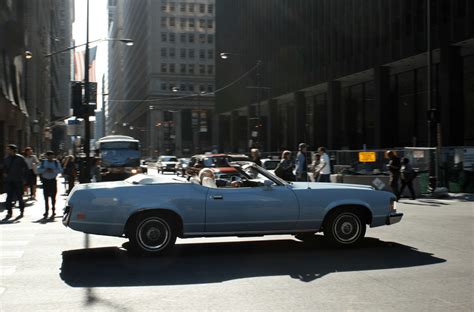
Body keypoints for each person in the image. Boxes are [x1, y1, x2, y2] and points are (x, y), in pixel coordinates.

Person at [3, 144, 28, 218]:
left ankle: (21, 210)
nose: (7, 151)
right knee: (9, 197)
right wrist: (4, 174)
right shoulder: (6, 158)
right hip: (9, 180)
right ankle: (9, 212)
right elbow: (4, 167)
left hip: (18, 180)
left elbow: (26, 169)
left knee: (19, 196)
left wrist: (24, 179)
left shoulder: (20, 158)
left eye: (8, 149)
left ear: (13, 150)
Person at [37, 151, 63, 218]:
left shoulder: (56, 162)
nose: (50, 157)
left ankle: (53, 210)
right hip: (45, 181)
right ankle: (46, 211)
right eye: (49, 156)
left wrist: (53, 170)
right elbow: (38, 170)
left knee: (53, 197)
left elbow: (60, 170)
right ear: (46, 156)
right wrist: (45, 170)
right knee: (46, 197)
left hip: (53, 181)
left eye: (51, 156)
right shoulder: (43, 162)